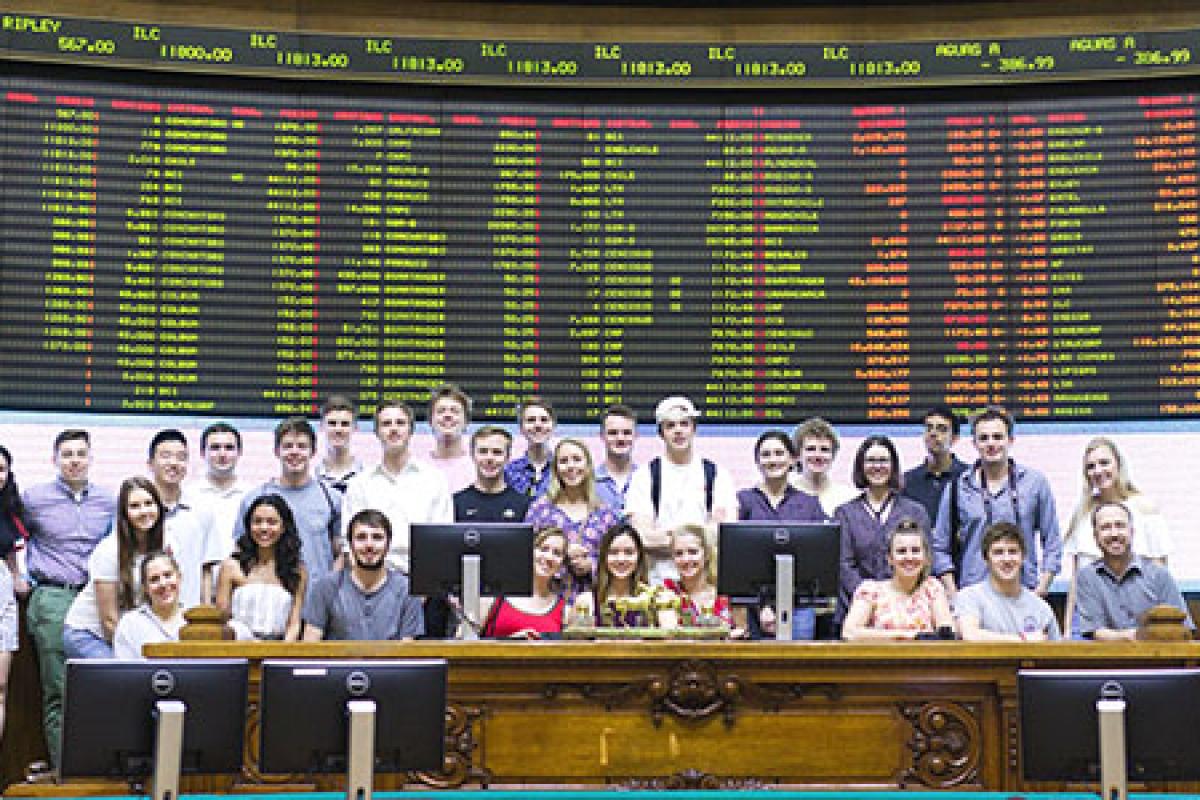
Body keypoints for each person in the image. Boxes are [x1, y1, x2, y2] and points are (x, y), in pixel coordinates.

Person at [23, 429, 116, 767]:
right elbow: (8, 532)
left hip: (96, 599)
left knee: (104, 685)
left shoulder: (108, 501)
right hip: (53, 597)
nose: (74, 460)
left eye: (81, 454)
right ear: (55, 459)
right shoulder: (33, 499)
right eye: (67, 454)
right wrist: (17, 574)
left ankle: (101, 767)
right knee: (59, 690)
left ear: (90, 458)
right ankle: (68, 771)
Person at [931, 406, 1061, 600]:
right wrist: (953, 592)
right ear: (974, 443)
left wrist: (1042, 588)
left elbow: (1052, 542)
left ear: (1010, 440)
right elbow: (939, 546)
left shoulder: (1035, 483)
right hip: (974, 596)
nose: (991, 444)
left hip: (1024, 593)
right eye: (983, 438)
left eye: (998, 437)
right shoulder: (957, 488)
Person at [1061, 437, 1172, 636]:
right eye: (1091, 466)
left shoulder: (1145, 508)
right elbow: (1076, 578)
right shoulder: (1082, 513)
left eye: (1104, 463)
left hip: (1137, 617)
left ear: (1118, 465)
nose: (1098, 471)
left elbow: (1159, 569)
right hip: (1091, 618)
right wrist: (1068, 628)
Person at [626, 396, 737, 582]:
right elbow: (642, 537)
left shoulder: (717, 475)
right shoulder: (645, 476)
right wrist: (698, 537)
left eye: (684, 424)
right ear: (661, 433)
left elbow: (724, 533)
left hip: (706, 586)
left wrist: (667, 536)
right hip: (659, 584)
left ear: (694, 428)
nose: (678, 431)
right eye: (670, 426)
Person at [341, 399, 453, 573]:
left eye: (400, 423)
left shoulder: (434, 480)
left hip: (423, 577)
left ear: (410, 431)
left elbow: (444, 540)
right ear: (377, 432)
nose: (394, 429)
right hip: (373, 578)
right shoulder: (359, 483)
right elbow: (350, 543)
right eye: (386, 424)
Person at [62, 477, 167, 659]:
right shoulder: (109, 551)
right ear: (124, 513)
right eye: (135, 506)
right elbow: (109, 621)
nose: (144, 511)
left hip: (126, 632)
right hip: (89, 634)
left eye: (149, 503)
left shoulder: (167, 545)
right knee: (128, 678)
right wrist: (134, 656)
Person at [736, 431, 825, 639]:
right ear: (757, 461)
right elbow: (739, 561)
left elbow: (818, 559)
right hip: (754, 607)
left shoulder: (809, 504)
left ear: (792, 459)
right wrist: (762, 607)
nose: (773, 460)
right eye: (766, 455)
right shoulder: (744, 502)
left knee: (800, 669)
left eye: (779, 453)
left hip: (801, 606)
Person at [836, 435, 931, 624]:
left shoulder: (915, 512)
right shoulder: (845, 513)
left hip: (907, 612)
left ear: (893, 466)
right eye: (871, 460)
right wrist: (872, 600)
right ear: (861, 466)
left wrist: (897, 598)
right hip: (856, 611)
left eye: (883, 460)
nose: (877, 466)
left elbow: (926, 561)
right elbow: (844, 565)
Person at [234, 418, 341, 583]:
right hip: (271, 601)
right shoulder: (254, 499)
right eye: (288, 446)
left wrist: (330, 589)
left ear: (313, 452)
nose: (295, 452)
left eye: (302, 446)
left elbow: (341, 553)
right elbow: (240, 551)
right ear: (277, 451)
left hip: (317, 601)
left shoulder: (332, 498)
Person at [1075, 501, 1193, 640]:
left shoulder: (1159, 575)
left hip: (1157, 659)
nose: (1114, 534)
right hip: (1108, 660)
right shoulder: (1087, 577)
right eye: (1105, 527)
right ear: (1095, 536)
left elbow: (1184, 629)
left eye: (1120, 525)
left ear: (1132, 531)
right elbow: (1095, 631)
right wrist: (1138, 636)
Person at [302, 509, 424, 640]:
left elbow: (408, 652)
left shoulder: (407, 590)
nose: (369, 545)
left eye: (377, 537)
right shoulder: (325, 587)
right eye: (361, 537)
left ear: (388, 544)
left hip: (390, 661)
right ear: (350, 544)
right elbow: (310, 644)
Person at [526, 438, 620, 595]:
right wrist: (558, 555)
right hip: (547, 600)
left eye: (577, 459)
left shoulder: (605, 514)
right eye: (563, 461)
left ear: (588, 466)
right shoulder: (540, 510)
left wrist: (591, 565)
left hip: (592, 601)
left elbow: (618, 558)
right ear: (556, 469)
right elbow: (525, 554)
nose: (571, 466)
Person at [842, 518, 954, 641]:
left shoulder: (933, 588)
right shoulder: (871, 590)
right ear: (890, 558)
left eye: (915, 551)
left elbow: (947, 632)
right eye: (901, 551)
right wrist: (905, 635)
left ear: (926, 557)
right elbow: (849, 632)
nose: (909, 557)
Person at [146, 429, 222, 607]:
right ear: (150, 464)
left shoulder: (202, 511)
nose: (174, 463)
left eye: (181, 457)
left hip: (189, 615)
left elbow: (206, 570)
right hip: (146, 616)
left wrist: (204, 613)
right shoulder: (138, 511)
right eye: (165, 456)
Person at [216, 494, 307, 641]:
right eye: (257, 521)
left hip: (278, 653)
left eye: (272, 522)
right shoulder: (231, 566)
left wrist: (281, 655)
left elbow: (294, 624)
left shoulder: (296, 570)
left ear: (283, 527)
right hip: (237, 651)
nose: (264, 528)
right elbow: (221, 621)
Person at [955, 522, 1061, 642]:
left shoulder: (1041, 608)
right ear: (986, 559)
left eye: (1013, 551)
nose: (1006, 559)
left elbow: (1061, 655)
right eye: (998, 552)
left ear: (1023, 556)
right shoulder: (969, 597)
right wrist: (1023, 640)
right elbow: (971, 635)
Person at [480, 527, 568, 639]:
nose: (549, 557)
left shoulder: (564, 609)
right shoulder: (492, 597)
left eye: (557, 553)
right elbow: (462, 645)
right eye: (543, 549)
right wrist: (512, 642)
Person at [183, 422, 250, 561]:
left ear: (240, 453)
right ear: (202, 453)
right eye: (215, 448)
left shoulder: (251, 496)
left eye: (229, 448)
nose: (222, 454)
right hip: (199, 579)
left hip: (242, 578)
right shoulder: (187, 496)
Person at [0, 445, 29, 746]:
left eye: (1, 469)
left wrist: (17, 576)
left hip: (2, 591)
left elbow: (10, 550)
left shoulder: (9, 507)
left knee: (1, 686)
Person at [901, 405, 968, 525]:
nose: (933, 433)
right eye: (929, 428)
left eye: (942, 429)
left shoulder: (969, 477)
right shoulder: (906, 481)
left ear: (955, 438)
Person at [574, 522, 650, 626]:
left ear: (639, 557)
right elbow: (578, 642)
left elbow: (672, 641)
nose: (621, 559)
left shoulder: (655, 601)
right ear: (604, 557)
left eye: (629, 552)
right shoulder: (586, 601)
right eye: (613, 552)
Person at [112, 551, 186, 659]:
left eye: (168, 575)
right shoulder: (129, 624)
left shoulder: (195, 622)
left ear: (179, 577)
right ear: (145, 588)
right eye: (154, 579)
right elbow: (125, 672)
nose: (163, 584)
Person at [662, 525, 735, 630]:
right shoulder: (668, 592)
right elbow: (670, 633)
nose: (686, 560)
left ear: (706, 555)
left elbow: (742, 630)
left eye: (693, 552)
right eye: (679, 554)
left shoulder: (726, 592)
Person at [454, 426, 531, 523]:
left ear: (508, 457)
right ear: (473, 455)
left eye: (497, 452)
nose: (489, 458)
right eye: (483, 451)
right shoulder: (455, 503)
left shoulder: (525, 505)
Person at [789, 417, 858, 517]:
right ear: (797, 455)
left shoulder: (850, 498)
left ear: (833, 455)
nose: (817, 455)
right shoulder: (782, 496)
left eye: (824, 449)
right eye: (810, 449)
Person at [504, 396, 557, 498]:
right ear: (521, 427)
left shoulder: (563, 469)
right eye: (531, 420)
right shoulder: (509, 471)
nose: (538, 425)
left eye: (544, 420)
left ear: (553, 425)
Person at [428, 383, 475, 492]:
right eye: (441, 411)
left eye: (455, 411)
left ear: (466, 421)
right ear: (430, 421)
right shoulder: (418, 466)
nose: (448, 416)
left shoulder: (478, 466)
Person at [594, 404, 638, 511]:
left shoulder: (647, 480)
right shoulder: (589, 482)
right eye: (613, 433)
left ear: (636, 436)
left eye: (627, 433)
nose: (620, 438)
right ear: (602, 436)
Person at [316, 394, 362, 493]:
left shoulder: (366, 476)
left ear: (355, 428)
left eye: (345, 424)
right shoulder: (311, 477)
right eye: (332, 423)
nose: (338, 429)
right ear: (321, 426)